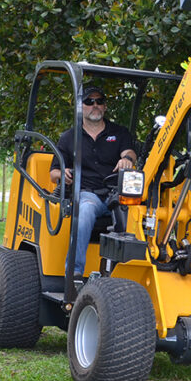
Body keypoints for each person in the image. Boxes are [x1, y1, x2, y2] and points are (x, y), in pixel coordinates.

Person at [50, 85, 137, 280]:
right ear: (81, 107)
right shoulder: (69, 137)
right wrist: (62, 174)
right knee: (86, 209)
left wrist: (127, 160)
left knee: (141, 216)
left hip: (117, 194)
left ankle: (131, 272)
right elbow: (53, 172)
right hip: (88, 193)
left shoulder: (119, 132)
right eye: (89, 101)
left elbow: (129, 152)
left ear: (105, 106)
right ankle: (74, 271)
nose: (95, 105)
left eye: (99, 101)